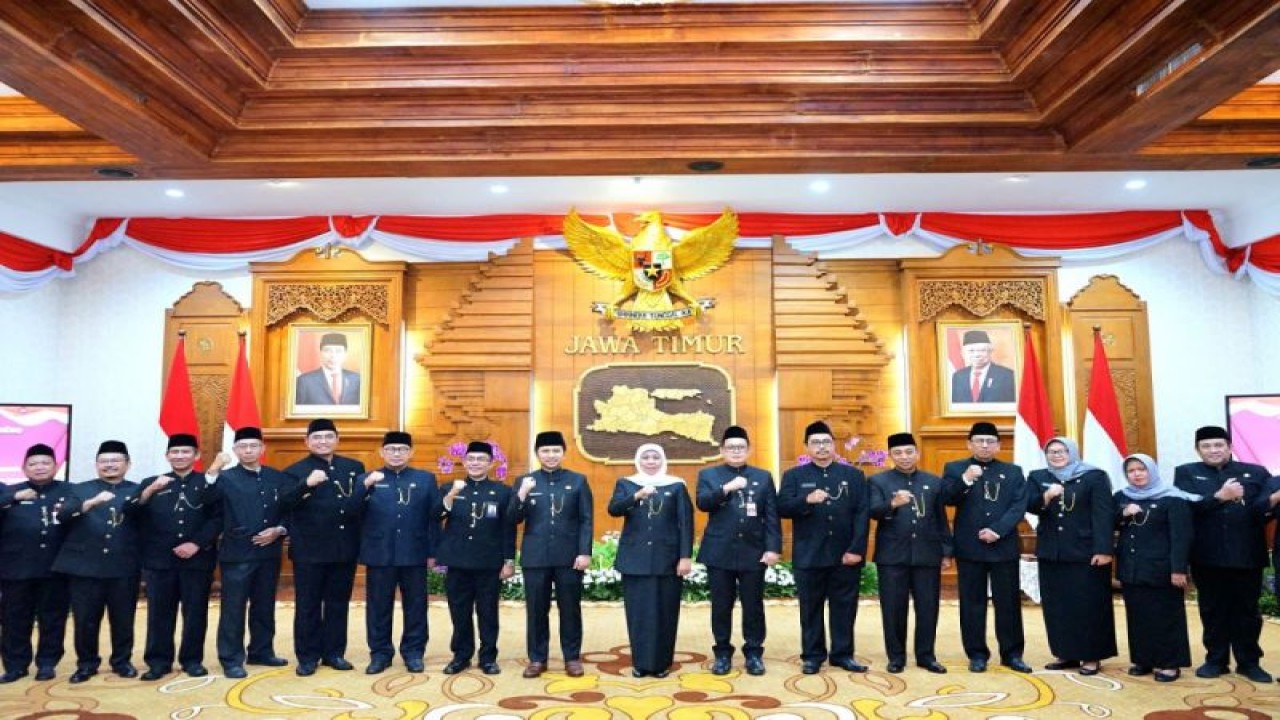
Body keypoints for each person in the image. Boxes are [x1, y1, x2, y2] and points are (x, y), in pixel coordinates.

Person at [1174, 425, 1272, 683]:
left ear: (1229, 446)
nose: (1213, 450)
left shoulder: (1257, 473)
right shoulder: (1186, 473)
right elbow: (1184, 510)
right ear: (1198, 450)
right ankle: (1216, 660)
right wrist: (1219, 497)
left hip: (1247, 555)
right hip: (1207, 556)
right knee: (1212, 610)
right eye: (1206, 446)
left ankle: (1249, 662)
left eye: (1218, 445)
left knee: (1247, 612)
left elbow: (1264, 510)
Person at [778, 421, 871, 675]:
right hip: (810, 554)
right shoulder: (794, 476)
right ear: (807, 447)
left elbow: (862, 514)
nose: (821, 447)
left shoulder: (853, 475)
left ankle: (843, 654)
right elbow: (782, 508)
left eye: (826, 442)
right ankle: (812, 655)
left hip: (845, 554)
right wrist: (805, 500)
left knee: (845, 606)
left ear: (834, 445)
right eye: (816, 443)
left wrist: (856, 549)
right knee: (810, 607)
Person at [942, 421, 1032, 674]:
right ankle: (977, 654)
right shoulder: (955, 468)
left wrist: (998, 530)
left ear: (999, 445)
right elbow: (947, 499)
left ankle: (1012, 654)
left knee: (1009, 602)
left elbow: (1018, 505)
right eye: (979, 441)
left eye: (990, 441)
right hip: (969, 547)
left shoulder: (1013, 471)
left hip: (1003, 546)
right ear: (969, 444)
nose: (984, 445)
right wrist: (965, 480)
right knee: (972, 602)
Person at [133, 435, 223, 680]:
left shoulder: (208, 483)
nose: (180, 456)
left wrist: (196, 543)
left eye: (185, 452)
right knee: (159, 613)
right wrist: (150, 490)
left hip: (196, 559)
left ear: (196, 456)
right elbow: (131, 512)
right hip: (159, 561)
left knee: (195, 612)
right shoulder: (152, 483)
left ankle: (192, 660)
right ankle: (158, 662)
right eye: (175, 452)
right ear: (167, 456)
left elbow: (217, 518)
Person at [52, 440, 143, 684]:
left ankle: (122, 661)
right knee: (85, 619)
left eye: (116, 461)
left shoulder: (137, 491)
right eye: (104, 461)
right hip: (85, 566)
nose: (110, 465)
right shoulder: (79, 490)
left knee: (123, 618)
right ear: (96, 465)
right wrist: (89, 504)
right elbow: (62, 516)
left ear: (127, 464)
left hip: (124, 565)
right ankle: (86, 664)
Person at [283, 418, 367, 676]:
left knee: (338, 603)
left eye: (328, 437)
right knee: (307, 604)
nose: (323, 442)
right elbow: (284, 504)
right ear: (307, 442)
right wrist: (306, 484)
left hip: (344, 548)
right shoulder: (295, 471)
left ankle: (334, 653)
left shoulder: (354, 467)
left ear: (337, 440)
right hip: (310, 549)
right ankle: (307, 656)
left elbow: (360, 505)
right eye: (317, 438)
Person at [695, 425, 780, 676]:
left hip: (753, 551)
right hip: (719, 551)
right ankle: (722, 653)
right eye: (730, 447)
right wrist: (727, 488)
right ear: (722, 450)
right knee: (721, 605)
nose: (736, 451)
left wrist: (773, 547)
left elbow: (772, 515)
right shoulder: (709, 475)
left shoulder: (763, 476)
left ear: (749, 450)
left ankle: (753, 652)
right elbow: (702, 503)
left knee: (753, 605)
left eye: (740, 447)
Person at [208, 427, 292, 679]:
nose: (248, 450)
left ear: (262, 449)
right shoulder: (224, 478)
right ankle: (231, 659)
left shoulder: (277, 478)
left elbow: (290, 509)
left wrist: (279, 529)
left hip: (269, 551)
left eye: (253, 446)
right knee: (233, 608)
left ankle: (261, 650)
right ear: (234, 450)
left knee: (264, 605)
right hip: (237, 553)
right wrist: (212, 471)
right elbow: (206, 501)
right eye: (242, 446)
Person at [1028, 437, 1117, 675]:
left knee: (1088, 605)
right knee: (1057, 605)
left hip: (1086, 552)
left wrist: (1104, 549)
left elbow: (1103, 514)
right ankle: (1065, 652)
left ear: (1073, 452)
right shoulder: (1038, 476)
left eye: (1062, 451)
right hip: (1052, 552)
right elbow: (1029, 505)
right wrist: (1045, 497)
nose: (1056, 455)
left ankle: (1091, 655)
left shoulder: (1094, 476)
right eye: (1052, 451)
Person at [511, 430, 594, 679]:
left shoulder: (578, 481)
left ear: (563, 453)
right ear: (537, 453)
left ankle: (572, 658)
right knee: (536, 609)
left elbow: (586, 520)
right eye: (545, 451)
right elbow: (512, 518)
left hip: (569, 557)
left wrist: (584, 552)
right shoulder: (525, 481)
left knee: (570, 608)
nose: (550, 455)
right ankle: (537, 658)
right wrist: (522, 493)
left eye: (556, 450)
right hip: (536, 557)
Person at [868, 432, 952, 674]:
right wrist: (892, 505)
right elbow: (873, 511)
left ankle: (926, 655)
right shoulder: (878, 481)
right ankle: (896, 657)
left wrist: (946, 551)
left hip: (927, 553)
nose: (904, 457)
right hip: (892, 556)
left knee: (928, 607)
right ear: (890, 455)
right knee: (893, 608)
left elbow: (941, 519)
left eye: (908, 452)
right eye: (898, 453)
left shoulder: (934, 481)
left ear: (917, 453)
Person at [608, 443, 694, 678]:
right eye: (645, 457)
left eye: (655, 456)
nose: (651, 461)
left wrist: (685, 556)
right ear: (638, 460)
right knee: (638, 613)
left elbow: (685, 523)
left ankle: (662, 664)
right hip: (635, 560)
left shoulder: (676, 485)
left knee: (665, 612)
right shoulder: (626, 483)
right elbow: (614, 509)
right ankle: (640, 663)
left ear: (663, 459)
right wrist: (636, 496)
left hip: (668, 559)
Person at [358, 431, 439, 675]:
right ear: (382, 452)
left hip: (414, 552)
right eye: (391, 449)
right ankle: (380, 653)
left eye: (402, 449)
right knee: (378, 606)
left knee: (416, 606)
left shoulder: (425, 479)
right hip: (379, 553)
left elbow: (433, 518)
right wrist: (364, 488)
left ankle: (413, 652)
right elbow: (352, 513)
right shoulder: (368, 478)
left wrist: (434, 552)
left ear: (411, 452)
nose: (396, 453)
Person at [435, 441, 517, 675]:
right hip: (458, 561)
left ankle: (488, 657)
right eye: (471, 459)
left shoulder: (502, 491)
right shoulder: (450, 487)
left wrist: (509, 560)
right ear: (464, 461)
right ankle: (461, 655)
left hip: (488, 562)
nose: (475, 463)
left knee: (488, 611)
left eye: (481, 459)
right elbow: (436, 514)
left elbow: (508, 528)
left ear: (490, 463)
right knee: (459, 611)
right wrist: (452, 494)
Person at [1115, 454, 1196, 682]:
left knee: (1166, 616)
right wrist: (1122, 514)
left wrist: (1178, 569)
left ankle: (1169, 663)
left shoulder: (1173, 498)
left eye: (1142, 469)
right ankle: (1143, 659)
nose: (1137, 474)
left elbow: (1182, 536)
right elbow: (1107, 522)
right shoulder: (1122, 497)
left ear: (1152, 470)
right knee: (1138, 615)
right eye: (1131, 470)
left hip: (1163, 568)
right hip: (1132, 568)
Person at [0, 444, 74, 683]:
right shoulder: (9, 493)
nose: (39, 467)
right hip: (16, 570)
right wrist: (12, 498)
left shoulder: (71, 491)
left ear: (55, 466)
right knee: (14, 619)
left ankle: (47, 663)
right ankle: (15, 666)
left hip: (56, 569)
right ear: (24, 468)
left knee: (53, 618)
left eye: (45, 463)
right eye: (33, 464)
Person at [294, 332, 362, 406]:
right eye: (327, 350)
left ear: (345, 354)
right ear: (320, 352)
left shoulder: (357, 379)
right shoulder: (304, 381)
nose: (333, 355)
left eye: (338, 351)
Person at [949, 330, 1016, 404]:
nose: (977, 355)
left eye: (982, 350)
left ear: (990, 351)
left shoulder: (1007, 376)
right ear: (963, 353)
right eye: (971, 351)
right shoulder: (958, 376)